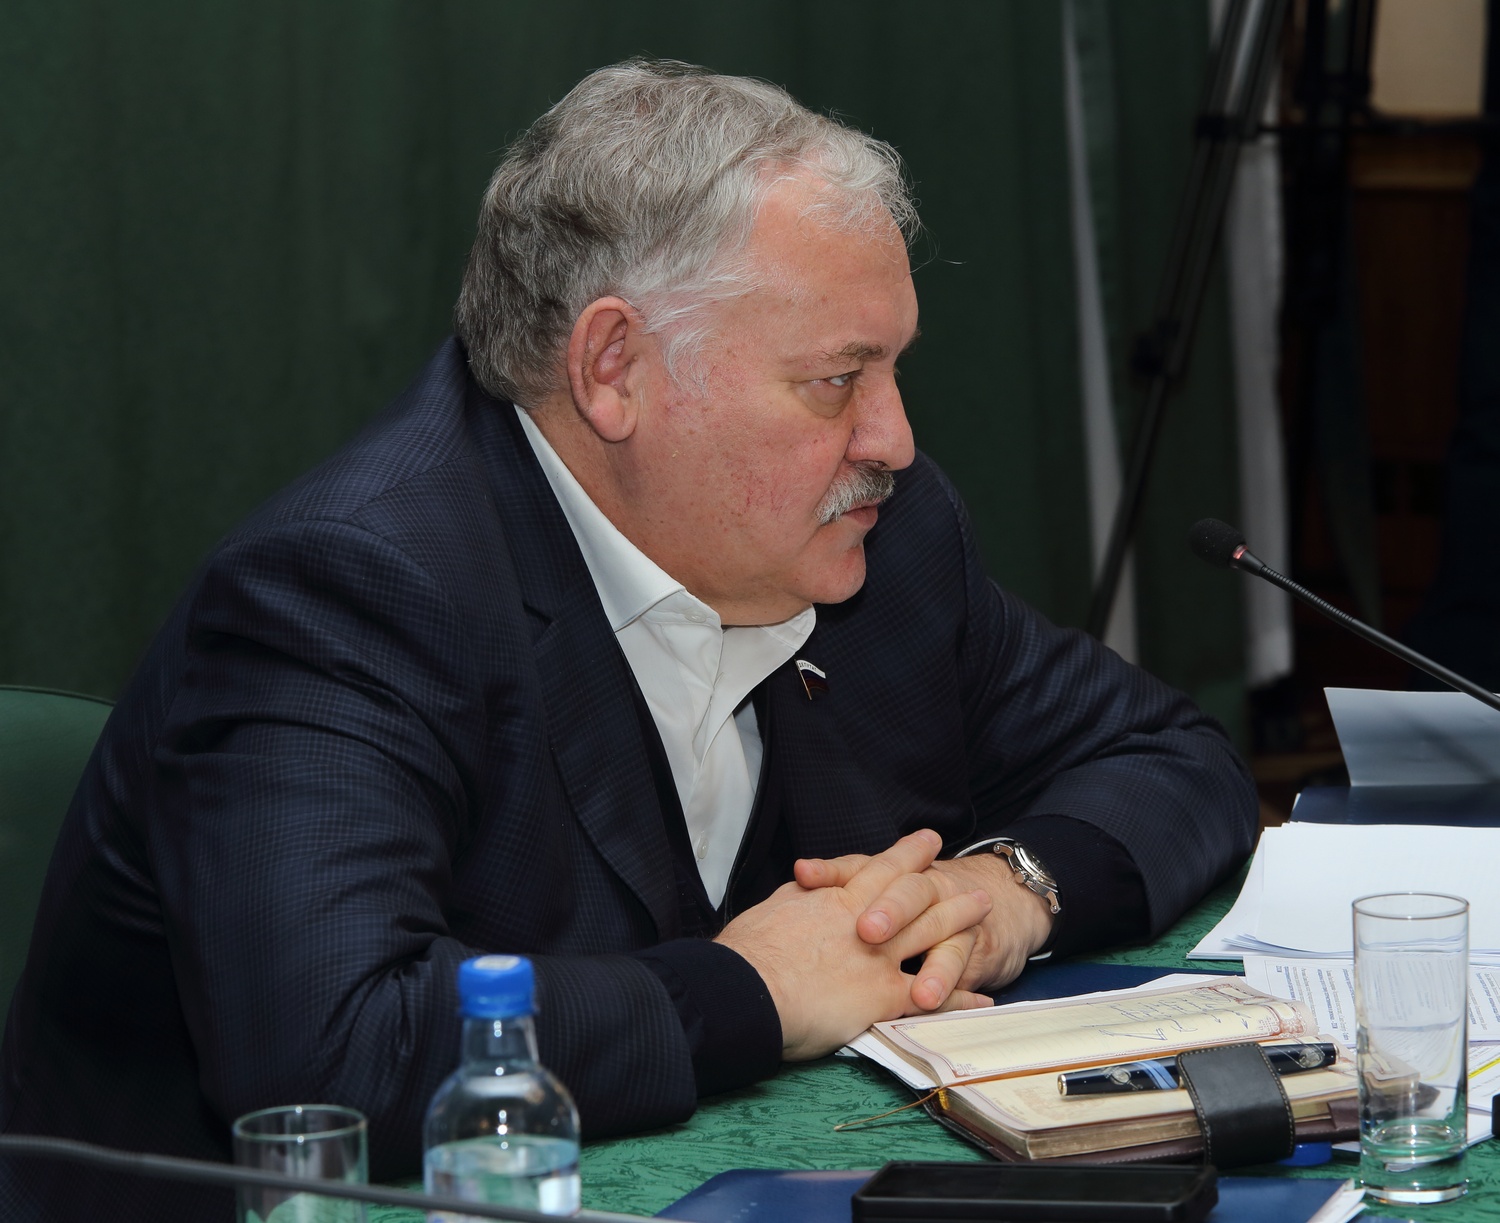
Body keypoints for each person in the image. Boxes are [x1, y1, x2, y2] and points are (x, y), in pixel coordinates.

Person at [0, 60, 1256, 1220]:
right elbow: (331, 1055)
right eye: (837, 379)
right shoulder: (349, 592)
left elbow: (1174, 754)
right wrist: (756, 991)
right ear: (614, 368)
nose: (894, 439)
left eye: (893, 370)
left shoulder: (885, 534)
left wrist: (1005, 890)